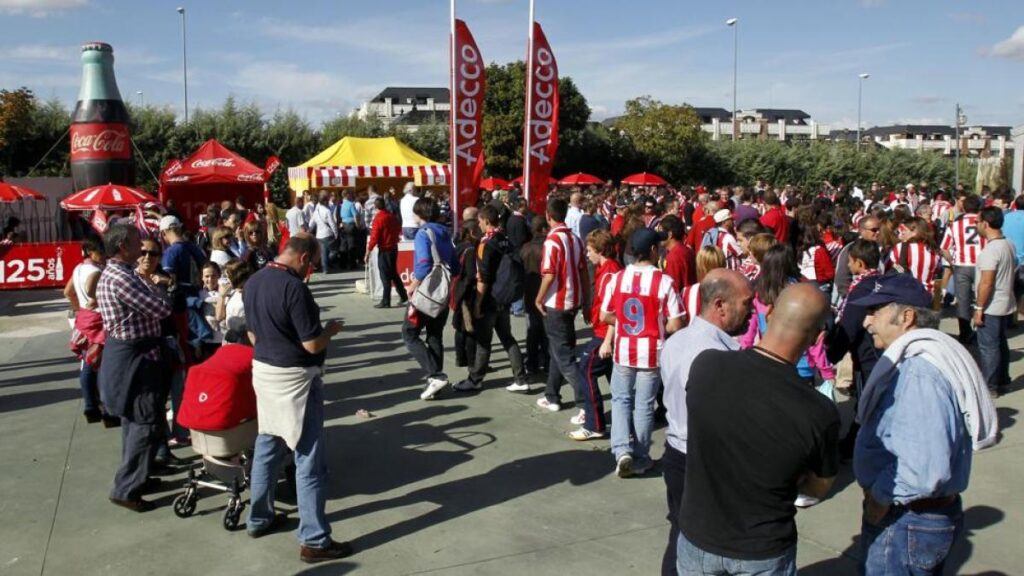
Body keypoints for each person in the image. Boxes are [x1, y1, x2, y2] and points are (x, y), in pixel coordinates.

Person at [678, 283, 839, 575]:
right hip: (762, 549)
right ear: (818, 336)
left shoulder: (706, 365)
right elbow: (819, 486)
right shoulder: (820, 412)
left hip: (697, 539)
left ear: (770, 313)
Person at [852, 273, 998, 575]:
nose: (866, 322)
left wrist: (880, 498)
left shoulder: (918, 374)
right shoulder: (921, 360)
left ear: (906, 317)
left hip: (905, 519)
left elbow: (923, 468)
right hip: (912, 519)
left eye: (875, 311)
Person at [243, 233, 353, 563]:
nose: (312, 270)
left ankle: (258, 518)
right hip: (296, 379)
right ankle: (314, 540)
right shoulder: (294, 288)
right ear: (303, 258)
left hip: (265, 372)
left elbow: (252, 334)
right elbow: (312, 344)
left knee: (268, 444)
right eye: (313, 264)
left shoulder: (254, 281)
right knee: (309, 459)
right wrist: (330, 331)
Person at [659, 269, 753, 575]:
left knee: (680, 531)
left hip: (676, 454)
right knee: (709, 546)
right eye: (746, 303)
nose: (751, 310)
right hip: (706, 461)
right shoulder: (718, 357)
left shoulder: (676, 342)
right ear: (720, 305)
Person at [95, 224, 173, 512]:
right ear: (122, 246)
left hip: (138, 354)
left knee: (136, 419)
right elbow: (161, 309)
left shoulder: (124, 273)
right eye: (136, 242)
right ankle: (127, 488)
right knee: (143, 420)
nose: (142, 248)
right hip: (136, 359)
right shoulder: (121, 278)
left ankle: (139, 475)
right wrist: (161, 289)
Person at [600, 228, 684, 477]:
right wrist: (659, 326)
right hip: (651, 350)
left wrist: (625, 323)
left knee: (620, 400)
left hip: (624, 348)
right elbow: (676, 323)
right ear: (653, 250)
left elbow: (605, 315)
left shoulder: (618, 278)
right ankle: (641, 456)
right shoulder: (664, 282)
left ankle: (621, 450)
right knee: (644, 405)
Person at [454, 204, 528, 392]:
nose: (478, 225)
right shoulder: (505, 239)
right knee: (507, 338)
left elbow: (483, 277)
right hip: (505, 297)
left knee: (483, 341)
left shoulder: (485, 243)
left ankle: (475, 379)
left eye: (480, 221)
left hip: (490, 298)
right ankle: (521, 379)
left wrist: (478, 303)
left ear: (486, 221)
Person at [535, 198, 590, 413]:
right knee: (558, 350)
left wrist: (538, 298)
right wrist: (586, 301)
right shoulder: (575, 239)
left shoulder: (552, 241)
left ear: (548, 216)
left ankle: (586, 403)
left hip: (556, 303)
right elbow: (583, 273)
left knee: (564, 356)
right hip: (572, 301)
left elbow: (549, 274)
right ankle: (552, 395)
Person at [404, 197, 460, 400]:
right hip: (442, 294)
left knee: (409, 333)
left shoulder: (423, 233)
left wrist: (413, 285)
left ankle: (435, 375)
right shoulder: (445, 233)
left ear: (419, 213)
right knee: (435, 336)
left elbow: (424, 264)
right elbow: (456, 266)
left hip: (425, 293)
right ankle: (435, 382)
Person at [569, 229, 620, 441]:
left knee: (586, 368)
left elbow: (614, 310)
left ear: (600, 250)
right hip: (602, 330)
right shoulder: (604, 269)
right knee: (613, 377)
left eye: (590, 250)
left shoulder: (610, 273)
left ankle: (594, 423)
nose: (587, 254)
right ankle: (621, 419)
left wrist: (607, 340)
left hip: (604, 333)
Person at [973, 206, 1017, 397]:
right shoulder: (1008, 244)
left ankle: (989, 385)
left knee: (988, 347)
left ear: (985, 223)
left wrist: (979, 308)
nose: (975, 225)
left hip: (991, 305)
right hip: (1005, 302)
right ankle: (1002, 380)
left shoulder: (991, 251)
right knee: (1000, 343)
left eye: (977, 222)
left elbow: (987, 282)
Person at [65, 238, 109, 424]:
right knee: (102, 366)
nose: (104, 255)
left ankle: (91, 407)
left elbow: (68, 292)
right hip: (98, 320)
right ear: (91, 252)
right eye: (101, 251)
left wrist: (80, 309)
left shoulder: (78, 268)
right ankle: (107, 410)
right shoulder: (96, 271)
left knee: (87, 363)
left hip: (84, 319)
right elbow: (91, 291)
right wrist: (95, 301)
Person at [940, 194, 985, 343]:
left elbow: (944, 248)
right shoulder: (983, 223)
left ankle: (964, 333)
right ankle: (982, 330)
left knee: (963, 300)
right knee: (982, 297)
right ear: (979, 208)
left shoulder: (955, 224)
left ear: (964, 208)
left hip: (962, 264)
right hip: (982, 265)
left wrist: (952, 261)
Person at [521, 215, 550, 379]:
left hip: (529, 292)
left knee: (532, 331)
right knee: (545, 331)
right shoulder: (548, 247)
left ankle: (531, 363)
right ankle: (547, 362)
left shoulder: (525, 248)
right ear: (544, 229)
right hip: (546, 293)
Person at [365, 197, 408, 309]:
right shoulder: (392, 216)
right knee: (393, 273)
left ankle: (386, 300)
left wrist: (368, 251)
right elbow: (398, 229)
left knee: (385, 276)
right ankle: (403, 295)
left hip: (384, 249)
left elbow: (374, 237)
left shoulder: (378, 218)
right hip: (393, 247)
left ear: (375, 207)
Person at [833, 216, 881, 302]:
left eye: (879, 229)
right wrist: (852, 299)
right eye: (874, 230)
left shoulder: (878, 248)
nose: (878, 232)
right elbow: (842, 279)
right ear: (862, 231)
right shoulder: (851, 249)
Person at [659, 215, 695, 294]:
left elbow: (673, 289)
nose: (658, 235)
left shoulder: (673, 257)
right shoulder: (688, 251)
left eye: (660, 232)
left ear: (670, 234)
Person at [309, 192, 337, 275]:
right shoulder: (327, 211)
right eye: (327, 200)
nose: (328, 202)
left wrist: (309, 230)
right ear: (325, 201)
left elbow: (311, 223)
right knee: (334, 251)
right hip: (328, 234)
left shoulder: (316, 211)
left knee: (323, 252)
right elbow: (332, 224)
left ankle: (325, 269)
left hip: (319, 235)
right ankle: (327, 262)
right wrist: (336, 233)